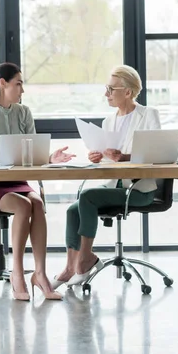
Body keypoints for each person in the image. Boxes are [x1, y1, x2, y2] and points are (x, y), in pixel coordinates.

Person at [0, 62, 75, 301]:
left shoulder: (23, 112)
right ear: (3, 83)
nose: (22, 90)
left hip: (18, 182)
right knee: (24, 205)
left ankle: (40, 274)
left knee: (37, 204)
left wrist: (50, 158)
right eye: (18, 84)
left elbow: (34, 153)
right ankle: (18, 273)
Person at [52, 65, 161, 290]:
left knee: (88, 197)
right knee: (73, 209)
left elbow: (157, 154)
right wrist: (97, 157)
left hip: (139, 190)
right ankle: (70, 267)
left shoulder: (148, 115)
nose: (106, 94)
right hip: (115, 187)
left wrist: (125, 157)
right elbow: (108, 161)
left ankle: (84, 260)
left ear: (128, 92)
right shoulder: (108, 121)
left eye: (111, 89)